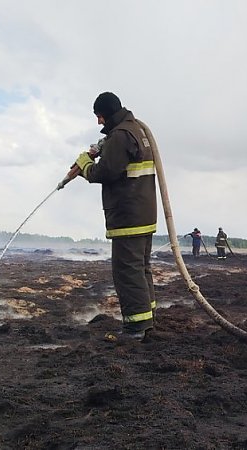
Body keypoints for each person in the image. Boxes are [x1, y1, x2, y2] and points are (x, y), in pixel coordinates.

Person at [74, 92, 157, 341]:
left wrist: (84, 165)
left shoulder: (121, 135)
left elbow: (104, 173)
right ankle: (147, 321)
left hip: (127, 216)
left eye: (99, 116)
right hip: (143, 214)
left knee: (127, 272)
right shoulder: (135, 129)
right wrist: (104, 146)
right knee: (140, 269)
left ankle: (135, 329)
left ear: (108, 113)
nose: (98, 121)